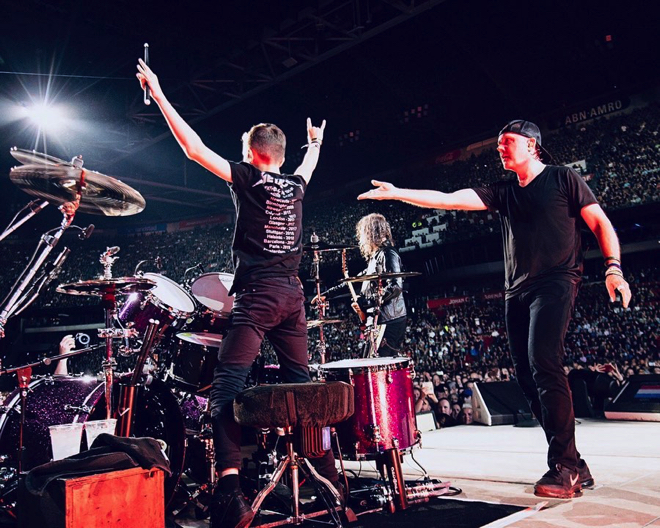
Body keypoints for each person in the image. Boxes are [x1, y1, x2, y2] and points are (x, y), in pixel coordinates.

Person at [358, 119, 632, 499]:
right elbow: (448, 198)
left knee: (544, 362)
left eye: (508, 142)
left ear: (532, 145)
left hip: (556, 280)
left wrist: (613, 269)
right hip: (515, 290)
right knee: (526, 377)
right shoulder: (504, 193)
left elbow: (600, 222)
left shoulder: (563, 178)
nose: (500, 148)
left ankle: (565, 469)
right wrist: (397, 193)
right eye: (499, 144)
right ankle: (575, 462)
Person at [137, 60, 336, 528]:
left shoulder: (247, 177)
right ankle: (325, 476)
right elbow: (307, 166)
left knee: (227, 385)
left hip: (259, 296)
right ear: (279, 154)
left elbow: (193, 149)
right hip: (293, 297)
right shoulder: (295, 185)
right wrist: (315, 144)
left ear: (251, 153)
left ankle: (229, 492)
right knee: (300, 383)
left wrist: (160, 94)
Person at [354, 213, 407, 356]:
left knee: (379, 363)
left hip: (390, 319)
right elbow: (357, 279)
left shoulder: (388, 253)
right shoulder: (376, 256)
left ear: (371, 232)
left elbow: (395, 286)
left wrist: (368, 302)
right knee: (371, 361)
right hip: (383, 319)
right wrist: (327, 294)